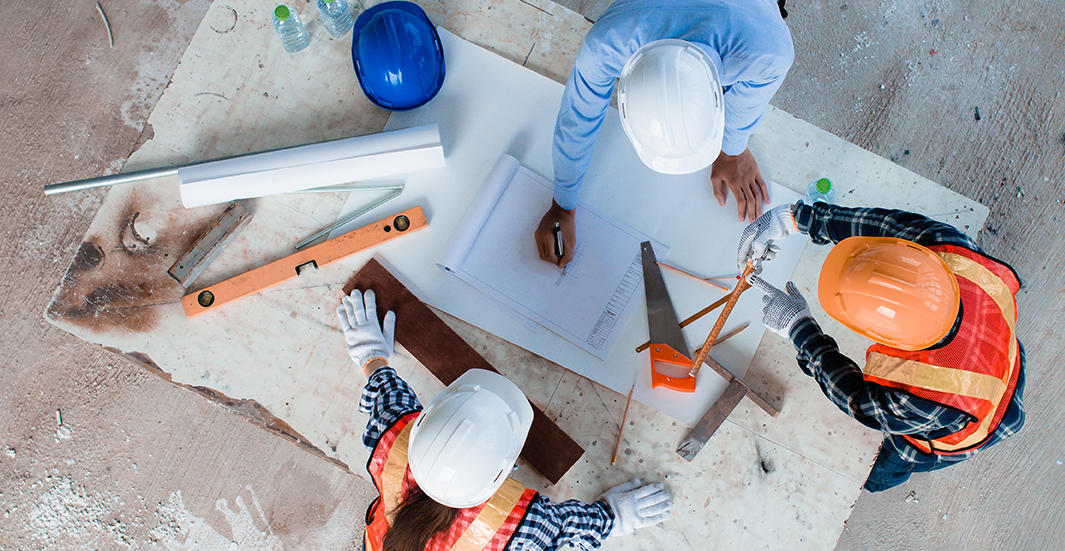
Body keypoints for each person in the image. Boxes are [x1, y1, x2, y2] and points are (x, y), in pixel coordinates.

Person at [336, 289, 672, 551]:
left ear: (423, 423)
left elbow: (387, 398)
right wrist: (612, 517)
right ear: (501, 475)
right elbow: (563, 529)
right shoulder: (513, 527)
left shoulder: (394, 441)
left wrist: (372, 356)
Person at [737, 202, 1025, 492]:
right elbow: (886, 226)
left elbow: (855, 397)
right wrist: (793, 219)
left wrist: (799, 329)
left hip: (974, 425)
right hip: (1002, 353)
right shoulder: (947, 250)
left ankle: (875, 482)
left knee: (885, 466)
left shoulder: (922, 397)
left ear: (887, 338)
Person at [535, 0, 794, 268]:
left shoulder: (768, 51)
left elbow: (749, 98)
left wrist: (732, 150)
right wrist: (563, 206)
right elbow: (577, 117)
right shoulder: (607, 44)